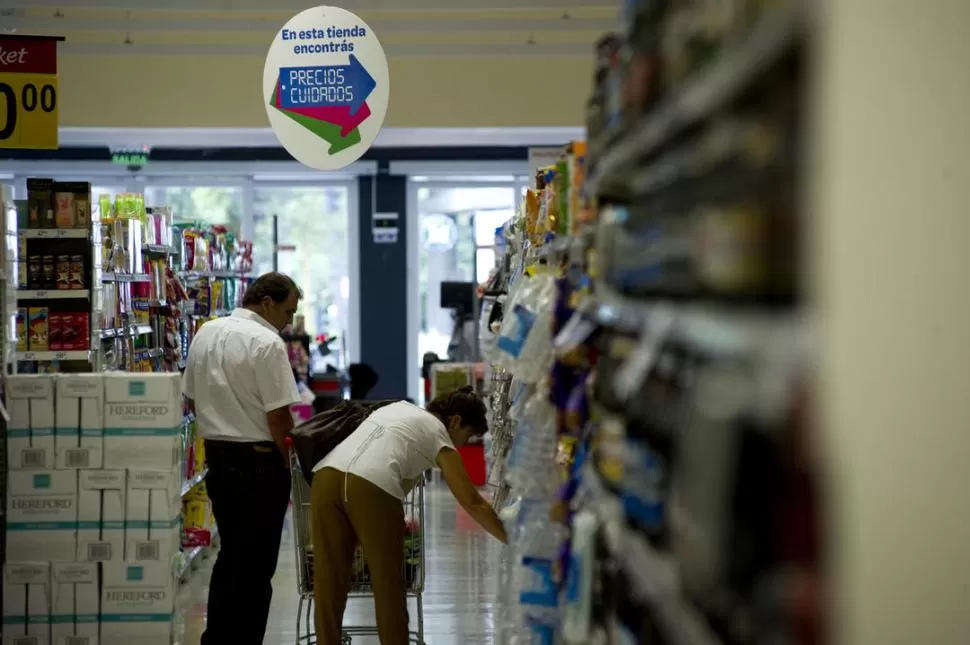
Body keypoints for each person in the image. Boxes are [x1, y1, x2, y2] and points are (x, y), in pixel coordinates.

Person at [310, 386, 508, 644]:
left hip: (325, 478)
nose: (462, 444)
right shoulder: (438, 434)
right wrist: (510, 538)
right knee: (388, 583)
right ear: (456, 421)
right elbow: (472, 502)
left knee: (329, 580)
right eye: (468, 435)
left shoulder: (398, 408)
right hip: (371, 484)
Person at [182, 272, 303, 645]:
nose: (289, 321)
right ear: (266, 303)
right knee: (257, 567)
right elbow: (279, 417)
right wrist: (292, 465)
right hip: (260, 464)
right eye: (287, 311)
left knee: (231, 555)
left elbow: (190, 396)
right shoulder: (267, 343)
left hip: (218, 461)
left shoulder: (205, 332)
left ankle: (216, 639)